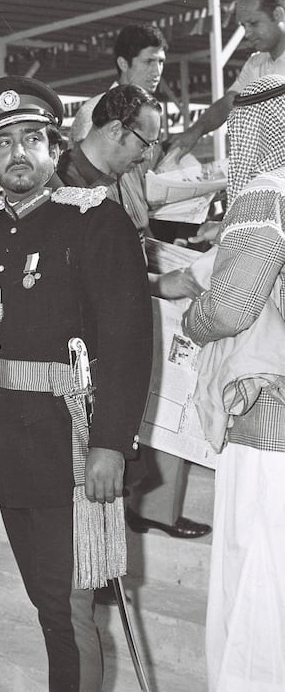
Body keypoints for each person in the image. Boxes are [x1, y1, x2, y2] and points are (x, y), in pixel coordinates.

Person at [0, 75, 153, 691]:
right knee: (48, 608)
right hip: (10, 450)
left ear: (55, 149)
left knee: (69, 613)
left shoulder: (95, 220)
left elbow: (127, 343)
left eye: (32, 139)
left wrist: (114, 443)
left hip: (74, 448)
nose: (18, 153)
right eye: (3, 143)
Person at [61, 87, 212, 541]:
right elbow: (80, 280)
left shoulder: (105, 181)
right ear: (113, 130)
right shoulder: (65, 185)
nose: (147, 157)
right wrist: (156, 285)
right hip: (77, 362)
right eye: (144, 144)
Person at [182, 74, 285, 692]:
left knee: (258, 586)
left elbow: (232, 303)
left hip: (269, 424)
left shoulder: (267, 192)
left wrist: (195, 325)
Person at [166, 0, 285, 164]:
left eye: (253, 23)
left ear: (278, 15)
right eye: (244, 25)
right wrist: (195, 132)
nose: (247, 33)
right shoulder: (255, 63)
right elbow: (229, 103)